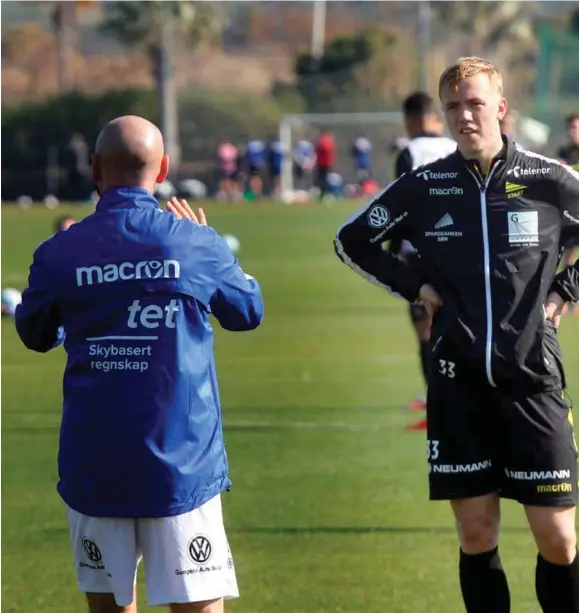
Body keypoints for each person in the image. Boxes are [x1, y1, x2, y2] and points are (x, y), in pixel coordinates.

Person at [335, 57, 579, 613]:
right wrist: (415, 284)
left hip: (533, 382)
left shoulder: (548, 179)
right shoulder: (425, 185)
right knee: (476, 534)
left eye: (474, 103)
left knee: (560, 540)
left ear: (500, 108)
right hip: (457, 385)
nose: (464, 115)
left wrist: (567, 288)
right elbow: (352, 240)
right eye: (453, 106)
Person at [15, 115, 264, 613]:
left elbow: (34, 333)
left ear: (94, 169)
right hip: (182, 466)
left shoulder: (59, 253)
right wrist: (212, 249)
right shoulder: (196, 243)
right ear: (164, 167)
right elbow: (247, 312)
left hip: (96, 468)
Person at [391, 91, 457, 415]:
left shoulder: (409, 152)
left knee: (424, 326)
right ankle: (460, 392)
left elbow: (400, 205)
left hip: (418, 252)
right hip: (457, 248)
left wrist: (393, 251)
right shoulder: (455, 147)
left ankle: (437, 395)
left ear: (413, 119)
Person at [315, 129, 336, 200]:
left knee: (324, 179)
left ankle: (324, 194)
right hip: (323, 163)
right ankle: (323, 194)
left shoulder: (326, 141)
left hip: (325, 163)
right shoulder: (325, 141)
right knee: (323, 180)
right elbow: (325, 149)